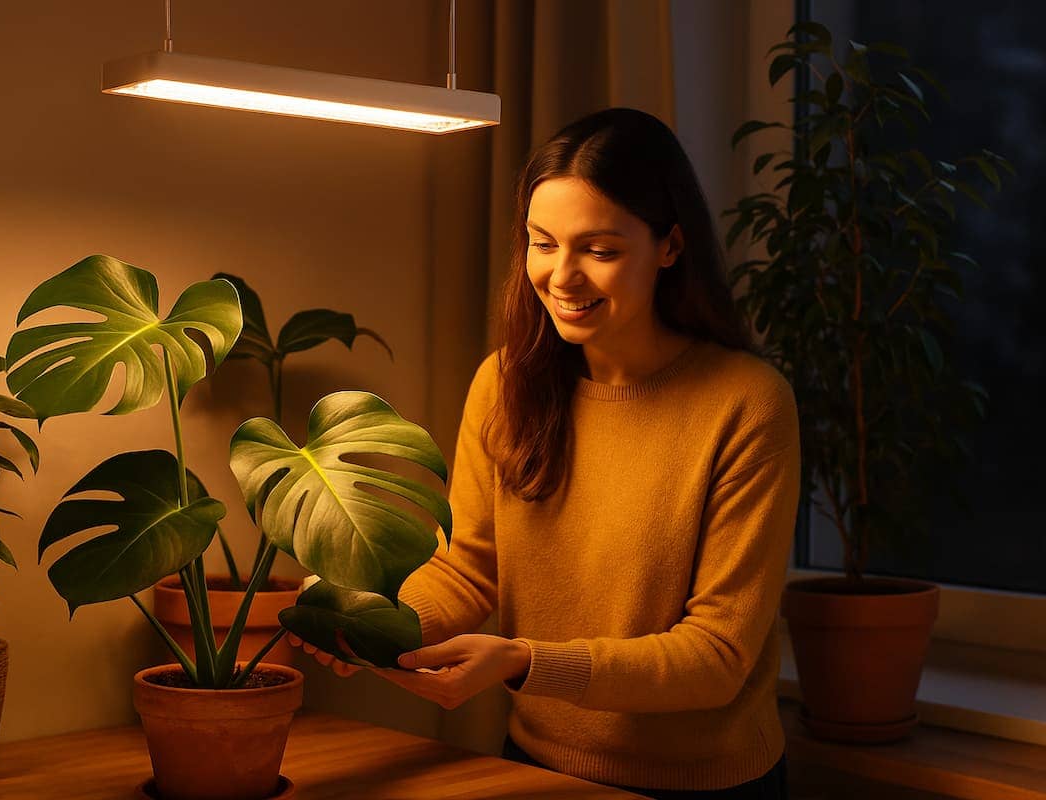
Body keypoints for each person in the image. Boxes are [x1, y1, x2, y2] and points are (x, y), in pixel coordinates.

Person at [290, 107, 800, 799]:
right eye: (542, 242)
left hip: (705, 783)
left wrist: (524, 662)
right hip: (534, 765)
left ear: (671, 246)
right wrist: (365, 617)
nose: (562, 276)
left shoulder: (746, 403)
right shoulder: (506, 383)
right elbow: (470, 569)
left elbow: (718, 656)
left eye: (600, 250)